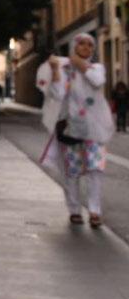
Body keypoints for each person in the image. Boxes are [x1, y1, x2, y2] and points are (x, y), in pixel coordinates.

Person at [36, 33, 114, 228]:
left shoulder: (97, 68)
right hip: (70, 128)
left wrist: (75, 61)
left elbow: (96, 80)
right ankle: (74, 210)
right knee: (72, 172)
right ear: (74, 46)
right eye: (82, 44)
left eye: (90, 45)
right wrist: (55, 70)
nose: (86, 47)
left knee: (95, 169)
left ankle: (95, 211)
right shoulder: (65, 70)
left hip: (94, 130)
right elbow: (57, 93)